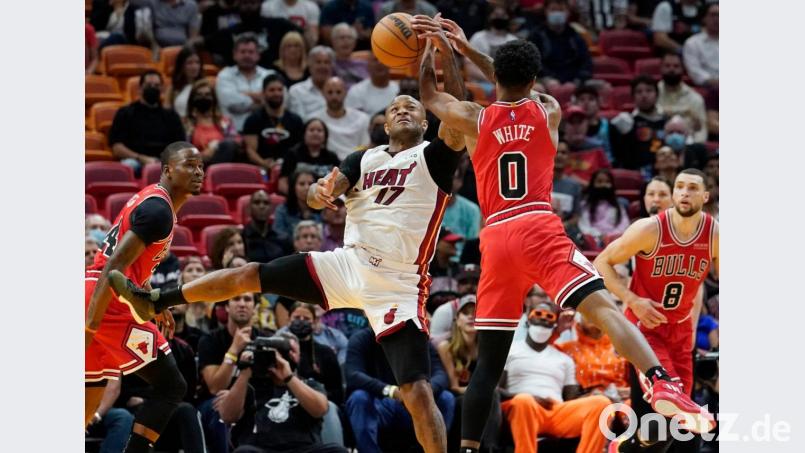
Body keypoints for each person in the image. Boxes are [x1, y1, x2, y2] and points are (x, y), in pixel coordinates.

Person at [109, 76, 469, 453]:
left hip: (397, 283)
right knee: (250, 273)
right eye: (395, 107)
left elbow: (458, 114)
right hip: (347, 265)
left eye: (412, 106)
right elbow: (317, 197)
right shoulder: (363, 158)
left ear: (427, 121)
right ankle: (157, 300)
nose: (402, 110)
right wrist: (319, 192)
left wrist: (444, 53)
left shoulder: (434, 157)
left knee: (417, 390)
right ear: (386, 122)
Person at [413, 26, 715, 452]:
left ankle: (467, 448)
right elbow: (512, 83)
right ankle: (661, 382)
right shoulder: (548, 111)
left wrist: (431, 51)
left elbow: (430, 97)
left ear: (495, 77)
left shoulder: (475, 118)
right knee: (607, 312)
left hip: (497, 235)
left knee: (488, 365)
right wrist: (468, 50)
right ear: (535, 82)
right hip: (538, 225)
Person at [85, 142, 203, 452]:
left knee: (89, 395)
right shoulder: (158, 210)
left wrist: (153, 301)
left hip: (95, 290)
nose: (198, 171)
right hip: (108, 299)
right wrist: (89, 327)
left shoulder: (156, 202)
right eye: (189, 165)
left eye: (200, 165)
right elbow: (114, 267)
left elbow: (134, 264)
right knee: (171, 385)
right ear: (167, 170)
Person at [594, 169, 719, 451]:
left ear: (706, 196)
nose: (685, 193)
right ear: (674, 194)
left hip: (681, 329)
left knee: (670, 424)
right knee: (667, 394)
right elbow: (601, 262)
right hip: (644, 327)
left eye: (692, 188)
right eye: (680, 187)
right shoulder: (649, 229)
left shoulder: (715, 234)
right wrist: (632, 299)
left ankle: (622, 448)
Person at [500, 301, 612, 453]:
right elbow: (496, 390)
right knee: (524, 401)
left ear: (554, 323)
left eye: (549, 316)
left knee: (601, 403)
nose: (544, 318)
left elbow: (571, 399)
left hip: (555, 411)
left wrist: (591, 393)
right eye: (538, 314)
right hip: (521, 408)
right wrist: (529, 397)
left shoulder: (564, 358)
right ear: (527, 318)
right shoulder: (510, 350)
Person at [214, 332, 349, 453]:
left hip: (304, 449)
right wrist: (244, 374)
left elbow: (320, 409)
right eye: (280, 351)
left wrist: (289, 377)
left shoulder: (309, 384)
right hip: (261, 448)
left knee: (337, 451)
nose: (287, 356)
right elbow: (227, 416)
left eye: (292, 351)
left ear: (299, 356)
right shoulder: (250, 386)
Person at [344, 326, 455, 453]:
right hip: (380, 402)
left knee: (446, 398)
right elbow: (353, 374)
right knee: (359, 398)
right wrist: (391, 391)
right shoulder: (361, 338)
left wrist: (424, 392)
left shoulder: (416, 337)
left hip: (415, 401)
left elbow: (440, 375)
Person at [109, 70, 186, 171]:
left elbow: (180, 146)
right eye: (149, 85)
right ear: (140, 88)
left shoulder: (171, 116)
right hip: (135, 160)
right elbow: (116, 147)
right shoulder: (125, 113)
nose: (153, 88)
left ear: (161, 89)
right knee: (128, 165)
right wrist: (141, 158)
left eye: (156, 85)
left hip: (165, 163)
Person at [276, 302, 345, 405]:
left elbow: (337, 393)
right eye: (297, 317)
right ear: (288, 320)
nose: (301, 321)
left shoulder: (326, 353)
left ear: (314, 322)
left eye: (306, 319)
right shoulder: (277, 350)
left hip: (320, 405)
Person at [203, 0, 302, 68]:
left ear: (260, 4)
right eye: (245, 3)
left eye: (253, 2)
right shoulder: (228, 32)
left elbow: (303, 33)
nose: (249, 7)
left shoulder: (276, 25)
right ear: (238, 5)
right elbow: (203, 42)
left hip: (271, 75)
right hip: (237, 77)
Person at [215, 33, 277, 131]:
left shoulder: (269, 75)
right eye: (243, 52)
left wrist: (243, 94)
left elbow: (278, 101)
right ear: (234, 54)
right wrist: (261, 100)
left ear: (258, 55)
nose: (247, 55)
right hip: (234, 132)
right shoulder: (225, 75)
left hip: (265, 131)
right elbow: (232, 104)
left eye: (251, 52)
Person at [243, 73, 305, 170]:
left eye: (280, 90)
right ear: (263, 93)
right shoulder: (253, 119)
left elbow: (300, 149)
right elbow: (250, 151)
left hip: (289, 170)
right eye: (272, 90)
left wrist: (285, 165)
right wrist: (264, 164)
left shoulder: (296, 120)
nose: (276, 93)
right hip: (261, 168)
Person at [610, 75, 668, 176]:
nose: (644, 95)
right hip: (637, 173)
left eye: (649, 91)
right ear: (633, 97)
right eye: (639, 92)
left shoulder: (668, 122)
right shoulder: (625, 122)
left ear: (657, 95)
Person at [528, 0, 593, 87]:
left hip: (574, 80)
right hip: (545, 79)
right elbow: (533, 62)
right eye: (553, 10)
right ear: (546, 12)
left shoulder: (575, 35)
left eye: (561, 10)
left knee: (602, 87)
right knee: (538, 88)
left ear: (568, 13)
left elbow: (585, 60)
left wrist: (578, 80)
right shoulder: (536, 35)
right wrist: (547, 78)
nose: (557, 13)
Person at [185, 78, 243, 164]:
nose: (203, 97)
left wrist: (215, 146)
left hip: (222, 165)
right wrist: (201, 156)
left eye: (207, 94)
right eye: (199, 95)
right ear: (192, 99)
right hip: (196, 166)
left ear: (214, 99)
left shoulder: (224, 122)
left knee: (228, 145)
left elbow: (237, 140)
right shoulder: (186, 123)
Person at [312, 76, 371, 160]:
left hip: (355, 163)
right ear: (323, 93)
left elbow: (365, 146)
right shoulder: (315, 120)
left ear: (346, 93)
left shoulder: (362, 118)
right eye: (330, 92)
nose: (334, 97)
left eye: (338, 92)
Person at [279, 118, 342, 194]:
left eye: (319, 130)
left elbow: (341, 181)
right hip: (298, 200)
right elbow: (282, 183)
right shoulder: (292, 154)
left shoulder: (332, 157)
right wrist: (295, 198)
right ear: (304, 134)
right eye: (311, 130)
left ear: (325, 136)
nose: (315, 133)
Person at [657, 52, 708, 143]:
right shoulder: (652, 94)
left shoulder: (695, 98)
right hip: (656, 144)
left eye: (676, 66)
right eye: (667, 66)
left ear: (683, 69)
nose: (671, 69)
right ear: (661, 68)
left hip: (687, 146)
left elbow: (701, 132)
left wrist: (692, 147)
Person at [465, 6, 517, 84]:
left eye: (503, 15)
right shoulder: (478, 37)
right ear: (489, 17)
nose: (499, 18)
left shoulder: (514, 40)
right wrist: (494, 80)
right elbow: (469, 68)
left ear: (509, 17)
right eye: (496, 15)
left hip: (508, 85)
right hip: (482, 83)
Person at [578, 168, 631, 244]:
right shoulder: (585, 205)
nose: (604, 185)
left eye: (607, 182)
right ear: (593, 184)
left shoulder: (618, 206)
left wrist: (610, 237)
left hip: (614, 242)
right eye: (599, 182)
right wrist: (599, 236)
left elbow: (624, 225)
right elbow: (584, 226)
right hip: (593, 240)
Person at [243, 189, 293, 263]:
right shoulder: (242, 238)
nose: (262, 206)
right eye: (257, 202)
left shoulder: (283, 239)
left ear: (271, 209)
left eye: (266, 203)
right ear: (249, 208)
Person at [288, 46, 336, 121]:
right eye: (318, 62)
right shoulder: (296, 91)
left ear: (332, 67)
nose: (322, 66)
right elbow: (299, 122)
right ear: (310, 65)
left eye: (326, 62)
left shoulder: (339, 90)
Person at [272, 169, 322, 241]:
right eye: (302, 184)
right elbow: (279, 236)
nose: (306, 188)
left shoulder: (323, 209)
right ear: (293, 188)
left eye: (310, 184)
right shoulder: (282, 210)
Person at [683, 3, 718, 89]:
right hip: (709, 89)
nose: (717, 19)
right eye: (713, 15)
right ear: (704, 18)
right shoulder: (692, 43)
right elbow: (695, 72)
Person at [168, 45, 205, 117]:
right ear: (181, 65)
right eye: (190, 63)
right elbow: (166, 115)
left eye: (197, 62)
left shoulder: (206, 86)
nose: (194, 67)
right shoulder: (172, 89)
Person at [330, 23, 368, 87]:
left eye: (349, 38)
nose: (346, 41)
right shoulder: (328, 65)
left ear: (355, 42)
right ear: (333, 41)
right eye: (342, 37)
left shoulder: (365, 65)